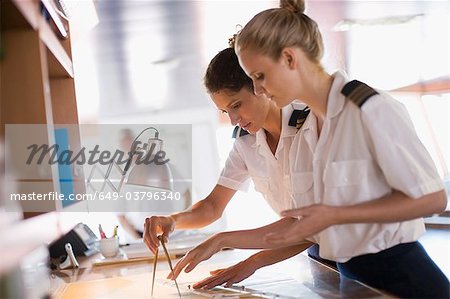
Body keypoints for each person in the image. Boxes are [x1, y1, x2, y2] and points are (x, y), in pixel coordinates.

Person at [170, 0, 449, 297]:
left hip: (402, 275)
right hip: (349, 273)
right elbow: (300, 226)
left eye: (259, 77)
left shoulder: (368, 108)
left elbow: (433, 199)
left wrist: (336, 215)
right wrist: (221, 240)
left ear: (289, 58)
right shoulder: (320, 123)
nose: (259, 89)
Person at [144, 46, 315, 285]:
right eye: (225, 111)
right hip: (320, 256)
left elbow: (310, 225)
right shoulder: (246, 142)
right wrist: (173, 220)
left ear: (260, 87)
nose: (233, 120)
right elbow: (213, 206)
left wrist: (226, 242)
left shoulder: (312, 125)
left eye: (236, 105)